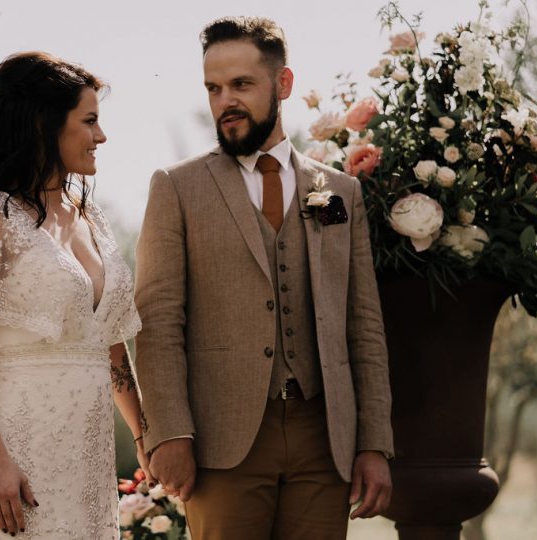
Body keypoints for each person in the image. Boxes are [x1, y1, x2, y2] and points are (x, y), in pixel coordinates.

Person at [134, 17, 393, 540]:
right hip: (221, 440)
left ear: (283, 85)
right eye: (213, 87)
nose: (225, 100)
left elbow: (362, 321)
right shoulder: (177, 187)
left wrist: (373, 442)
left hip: (324, 437)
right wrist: (169, 434)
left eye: (241, 85)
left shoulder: (338, 191)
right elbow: (157, 321)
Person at [0, 51, 151, 539]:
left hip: (86, 456)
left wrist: (144, 436)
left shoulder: (93, 220)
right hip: (14, 453)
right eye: (89, 121)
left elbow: (110, 343)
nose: (101, 136)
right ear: (46, 126)